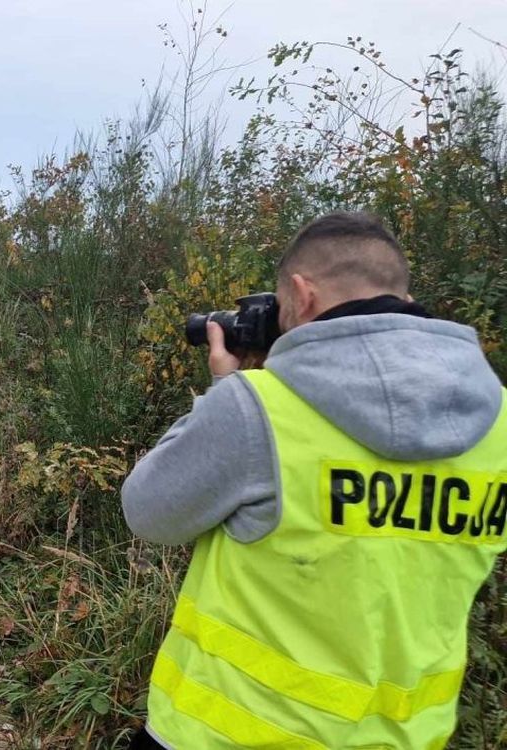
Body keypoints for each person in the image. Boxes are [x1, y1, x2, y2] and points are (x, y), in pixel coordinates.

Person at [121, 212, 507, 749]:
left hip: (225, 735)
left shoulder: (261, 407)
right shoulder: (500, 425)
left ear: (302, 296)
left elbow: (148, 512)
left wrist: (223, 392)